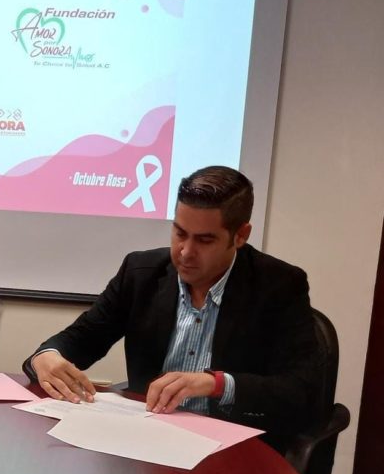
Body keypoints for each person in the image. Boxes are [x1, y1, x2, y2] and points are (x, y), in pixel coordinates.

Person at [23, 165, 318, 451]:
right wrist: (47, 357)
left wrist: (216, 384)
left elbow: (300, 391)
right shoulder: (141, 272)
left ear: (240, 235)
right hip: (148, 441)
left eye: (204, 240)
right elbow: (84, 338)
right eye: (179, 233)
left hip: (232, 448)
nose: (186, 252)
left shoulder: (280, 286)